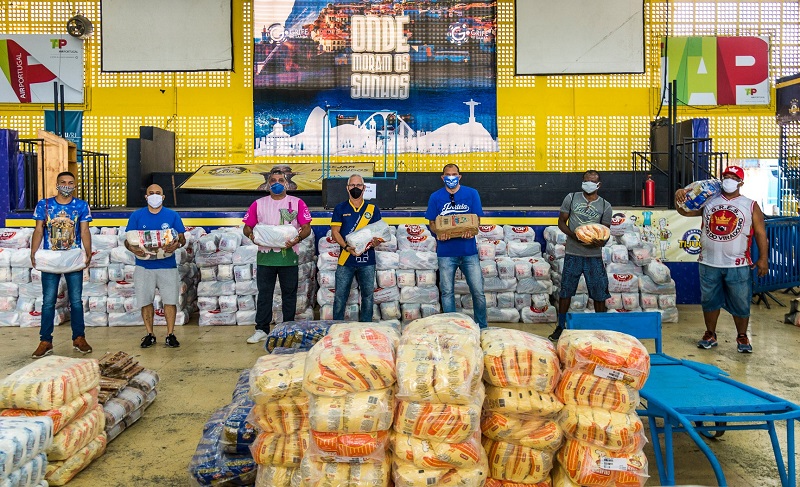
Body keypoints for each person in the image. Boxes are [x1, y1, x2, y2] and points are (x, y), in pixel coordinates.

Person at [675, 165, 768, 353]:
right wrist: (679, 194)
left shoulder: (750, 204)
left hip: (738, 264)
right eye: (725, 176)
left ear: (741, 182)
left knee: (741, 302)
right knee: (709, 301)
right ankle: (710, 334)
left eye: (733, 177)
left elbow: (760, 233)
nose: (728, 180)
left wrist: (763, 259)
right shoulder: (709, 201)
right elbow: (684, 212)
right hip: (709, 262)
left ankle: (742, 337)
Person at [243, 168, 313, 344]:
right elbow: (247, 227)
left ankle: (287, 329)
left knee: (289, 294)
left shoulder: (297, 203)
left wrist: (297, 238)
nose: (276, 183)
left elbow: (306, 228)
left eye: (280, 180)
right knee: (264, 294)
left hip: (288, 257)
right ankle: (261, 329)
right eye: (273, 180)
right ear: (268, 184)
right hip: (266, 258)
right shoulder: (258, 204)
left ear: (286, 184)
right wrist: (252, 236)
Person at [30, 171, 93, 358]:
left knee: (76, 301)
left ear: (75, 185)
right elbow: (39, 229)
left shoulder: (81, 205)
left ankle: (79, 338)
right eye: (63, 182)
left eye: (70, 182)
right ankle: (45, 340)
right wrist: (33, 252)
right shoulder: (44, 204)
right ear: (57, 184)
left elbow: (85, 230)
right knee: (48, 301)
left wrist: (88, 252)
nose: (66, 185)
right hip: (50, 258)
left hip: (73, 257)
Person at [548, 170, 613, 341]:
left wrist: (601, 241)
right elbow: (561, 221)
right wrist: (572, 234)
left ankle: (601, 328)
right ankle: (561, 327)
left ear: (599, 185)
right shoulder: (571, 198)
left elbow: (605, 231)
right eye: (586, 181)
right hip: (573, 253)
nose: (588, 184)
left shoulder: (605, 205)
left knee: (599, 293)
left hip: (594, 256)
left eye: (592, 181)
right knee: (566, 291)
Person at [124, 184, 187, 349]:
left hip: (167, 266)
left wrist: (177, 245)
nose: (154, 196)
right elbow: (128, 240)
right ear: (146, 197)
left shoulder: (172, 216)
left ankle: (170, 334)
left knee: (170, 301)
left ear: (163, 197)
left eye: (158, 193)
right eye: (151, 193)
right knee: (145, 301)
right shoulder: (137, 216)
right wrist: (132, 248)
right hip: (143, 266)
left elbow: (182, 238)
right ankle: (149, 334)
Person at [425, 164, 487, 328]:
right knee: (447, 292)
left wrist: (471, 230)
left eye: (454, 174)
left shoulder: (472, 194)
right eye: (448, 174)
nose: (451, 177)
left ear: (459, 176)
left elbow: (477, 220)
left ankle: (482, 325)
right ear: (442, 177)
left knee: (478, 291)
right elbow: (431, 222)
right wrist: (438, 232)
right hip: (446, 253)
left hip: (469, 251)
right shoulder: (435, 197)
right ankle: (451, 327)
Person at [330, 174, 382, 322]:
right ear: (347, 188)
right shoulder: (340, 208)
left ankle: (365, 326)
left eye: (359, 185)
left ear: (364, 188)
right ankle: (337, 326)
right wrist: (346, 247)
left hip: (367, 261)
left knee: (367, 296)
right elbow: (335, 233)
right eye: (352, 185)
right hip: (345, 259)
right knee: (340, 296)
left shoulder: (372, 209)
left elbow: (379, 233)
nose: (355, 188)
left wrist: (376, 242)